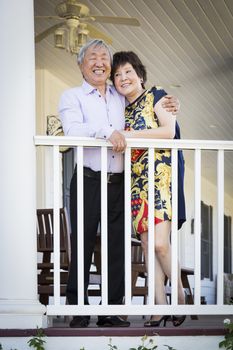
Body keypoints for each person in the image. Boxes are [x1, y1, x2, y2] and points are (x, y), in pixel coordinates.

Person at [59, 39, 180, 328]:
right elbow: (74, 129)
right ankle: (78, 310)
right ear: (81, 64)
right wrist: (107, 131)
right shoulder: (72, 96)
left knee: (116, 247)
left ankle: (111, 310)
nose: (99, 62)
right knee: (83, 244)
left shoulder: (118, 94)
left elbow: (146, 101)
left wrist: (170, 102)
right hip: (88, 178)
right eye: (92, 57)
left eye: (104, 57)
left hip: (120, 182)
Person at [111, 51, 186, 327]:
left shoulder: (157, 96)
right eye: (117, 75)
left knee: (159, 244)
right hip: (137, 182)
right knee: (146, 245)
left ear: (139, 75)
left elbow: (168, 131)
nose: (123, 78)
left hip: (160, 178)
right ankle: (158, 308)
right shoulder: (120, 110)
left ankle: (179, 298)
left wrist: (127, 136)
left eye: (128, 71)